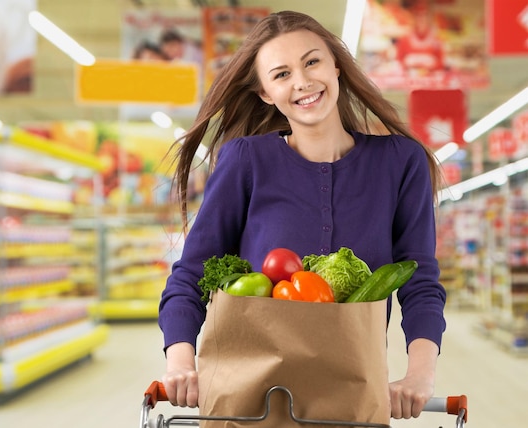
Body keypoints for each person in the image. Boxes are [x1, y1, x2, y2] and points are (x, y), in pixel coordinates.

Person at [158, 10, 446, 421]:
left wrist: (419, 376)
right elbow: (193, 272)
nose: (302, 82)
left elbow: (420, 282)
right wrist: (181, 363)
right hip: (249, 404)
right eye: (281, 74)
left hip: (351, 397)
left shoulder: (401, 162)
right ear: (264, 93)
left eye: (312, 62)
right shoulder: (246, 161)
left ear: (336, 67)